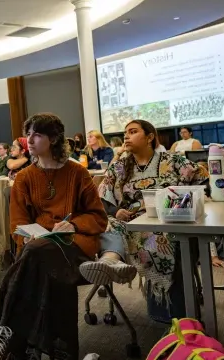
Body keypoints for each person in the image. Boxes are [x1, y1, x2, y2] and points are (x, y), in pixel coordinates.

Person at [0, 113, 108, 360]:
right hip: (38, 249)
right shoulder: (24, 177)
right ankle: (32, 352)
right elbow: (18, 224)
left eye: (37, 134)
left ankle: (8, 332)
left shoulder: (77, 173)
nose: (30, 140)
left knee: (36, 255)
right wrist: (26, 238)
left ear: (53, 139)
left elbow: (98, 218)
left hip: (76, 245)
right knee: (37, 256)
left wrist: (71, 224)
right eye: (29, 134)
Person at [79, 120, 210, 311]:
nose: (126, 136)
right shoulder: (120, 167)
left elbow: (203, 179)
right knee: (105, 223)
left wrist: (182, 202)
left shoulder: (173, 161)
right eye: (125, 133)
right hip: (129, 223)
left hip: (166, 222)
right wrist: (116, 211)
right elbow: (101, 197)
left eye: (132, 132)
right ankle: (110, 262)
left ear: (149, 137)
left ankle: (177, 314)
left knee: (163, 240)